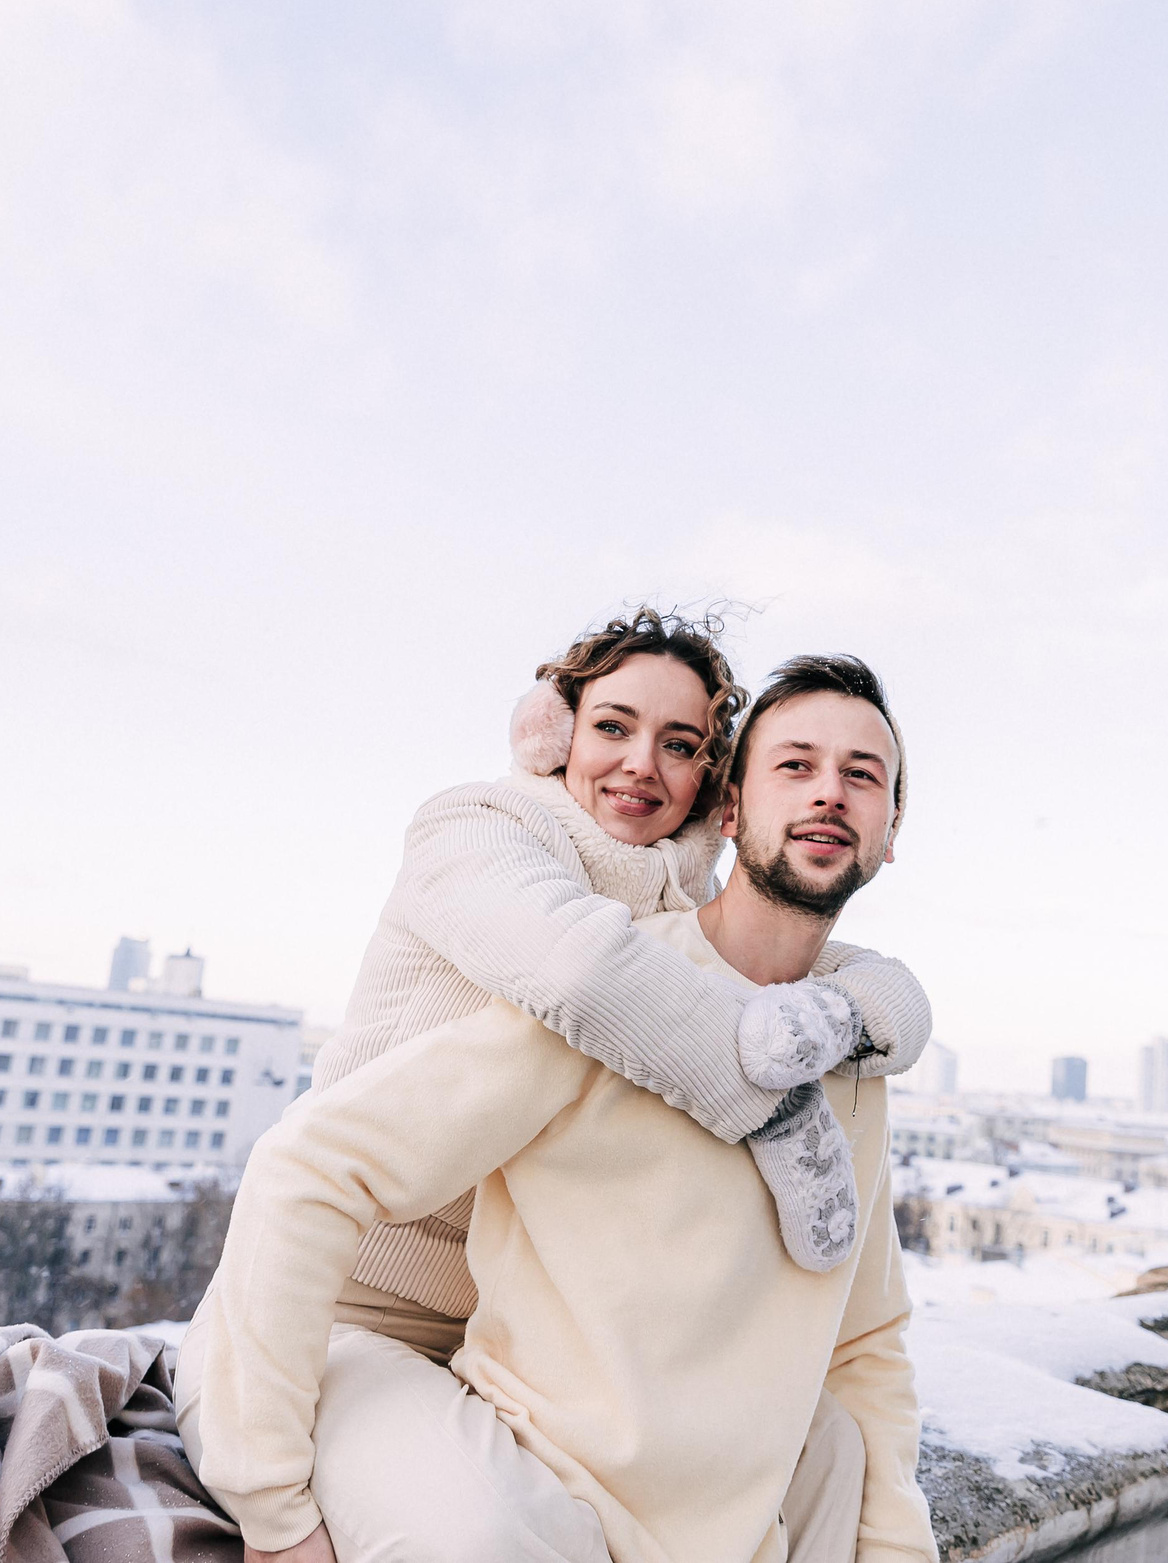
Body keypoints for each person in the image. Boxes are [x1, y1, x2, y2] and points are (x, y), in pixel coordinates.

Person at [178, 653, 935, 1563]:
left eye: (863, 776)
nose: (829, 794)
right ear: (731, 810)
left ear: (892, 829)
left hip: (681, 1490)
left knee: (840, 1449)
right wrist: (272, 1505)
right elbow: (307, 1167)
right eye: (796, 764)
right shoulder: (596, 985)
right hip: (412, 1367)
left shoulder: (855, 1044)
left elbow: (868, 1339)